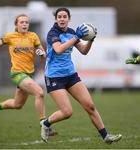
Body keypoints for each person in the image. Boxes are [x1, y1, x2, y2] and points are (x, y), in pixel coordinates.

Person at [40, 7, 122, 144]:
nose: (61, 19)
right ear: (56, 19)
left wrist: (91, 39)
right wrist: (77, 37)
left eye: (64, 16)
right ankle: (46, 123)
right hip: (54, 76)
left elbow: (84, 51)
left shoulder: (72, 32)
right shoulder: (52, 33)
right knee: (67, 112)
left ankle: (106, 136)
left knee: (90, 105)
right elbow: (59, 50)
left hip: (70, 75)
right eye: (59, 17)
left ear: (69, 19)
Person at [0, 14, 57, 138]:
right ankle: (44, 125)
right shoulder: (10, 36)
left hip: (29, 75)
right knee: (39, 92)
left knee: (17, 104)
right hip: (17, 74)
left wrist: (40, 52)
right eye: (22, 22)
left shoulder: (33, 36)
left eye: (26, 22)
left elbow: (44, 55)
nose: (25, 24)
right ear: (16, 25)